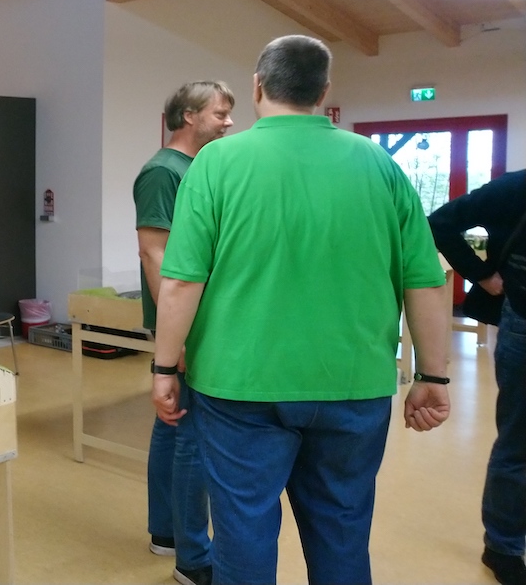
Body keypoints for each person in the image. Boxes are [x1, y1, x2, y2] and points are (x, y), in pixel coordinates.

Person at [152, 35, 451, 585]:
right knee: (342, 532)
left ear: (257, 87)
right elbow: (426, 280)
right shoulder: (378, 164)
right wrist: (433, 376)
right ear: (324, 91)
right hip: (352, 385)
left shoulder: (217, 162)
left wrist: (165, 366)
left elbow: (181, 281)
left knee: (243, 532)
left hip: (239, 386)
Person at [134, 81, 234, 585]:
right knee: (191, 432)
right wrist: (179, 335)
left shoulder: (197, 167)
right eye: (220, 113)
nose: (229, 122)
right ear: (190, 115)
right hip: (186, 323)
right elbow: (154, 253)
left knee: (172, 424)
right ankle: (193, 558)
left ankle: (166, 531)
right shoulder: (163, 172)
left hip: (194, 317)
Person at [428, 169, 526, 585]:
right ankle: (503, 546)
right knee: (519, 443)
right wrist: (483, 275)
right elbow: (440, 223)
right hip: (523, 325)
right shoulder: (517, 188)